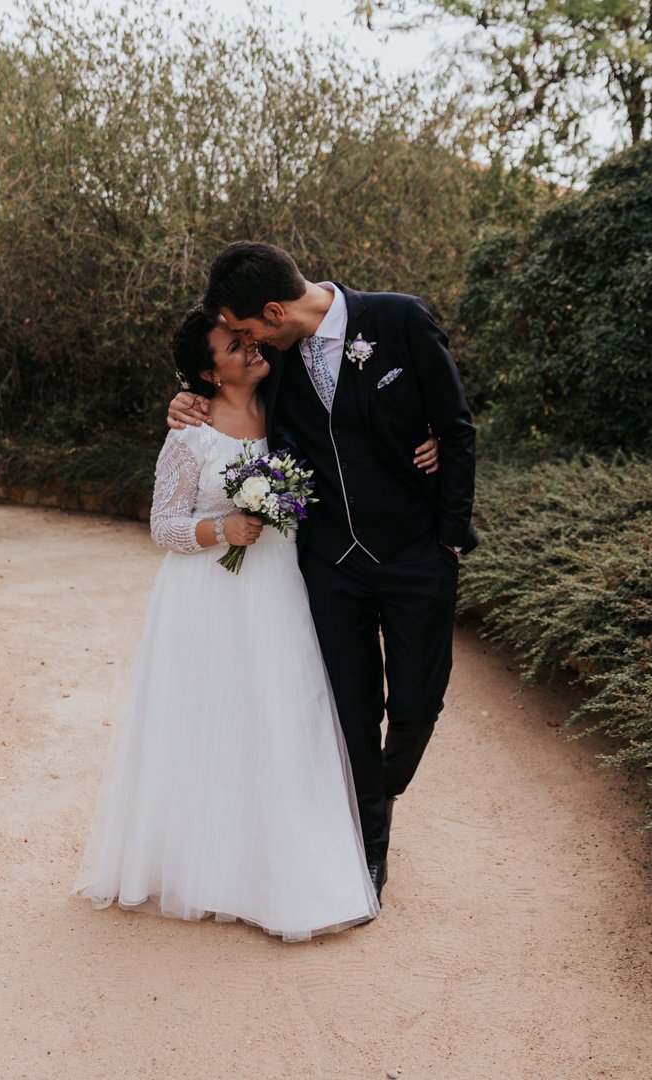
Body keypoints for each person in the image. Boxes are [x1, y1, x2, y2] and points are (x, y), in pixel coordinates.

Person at [168, 242, 479, 901]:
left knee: (419, 703)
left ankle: (384, 787)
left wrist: (448, 536)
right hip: (329, 564)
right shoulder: (272, 361)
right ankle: (369, 841)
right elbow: (227, 399)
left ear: (274, 311)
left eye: (248, 329)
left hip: (416, 555)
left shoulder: (400, 322)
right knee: (351, 707)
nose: (247, 342)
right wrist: (183, 401)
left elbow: (456, 426)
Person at [73, 306, 385, 940]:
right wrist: (222, 529)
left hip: (277, 588)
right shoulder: (190, 433)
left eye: (249, 338)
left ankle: (283, 864)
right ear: (207, 373)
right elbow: (162, 524)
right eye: (234, 345)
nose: (250, 348)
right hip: (209, 594)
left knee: (282, 708)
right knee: (212, 721)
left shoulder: (284, 403)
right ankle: (212, 868)